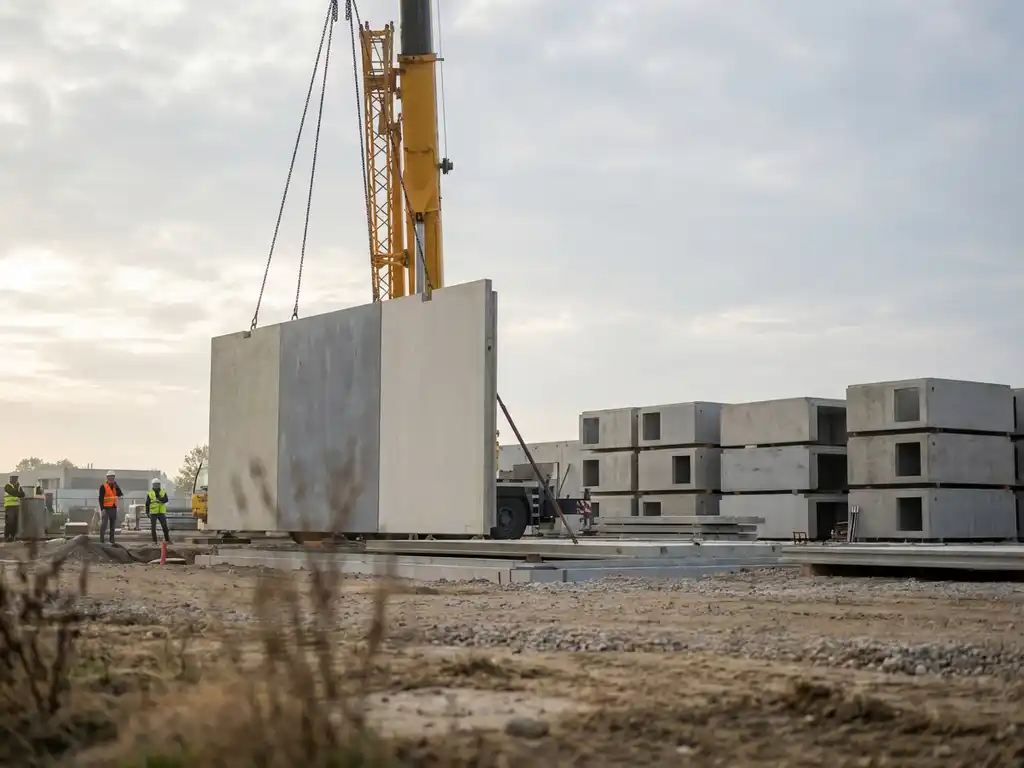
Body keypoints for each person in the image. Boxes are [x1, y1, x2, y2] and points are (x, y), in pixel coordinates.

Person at [98, 471, 123, 545]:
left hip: (113, 507)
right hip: (106, 508)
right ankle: (101, 540)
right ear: (107, 478)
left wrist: (116, 486)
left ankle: (112, 540)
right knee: (104, 525)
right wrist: (102, 509)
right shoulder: (103, 486)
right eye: (110, 478)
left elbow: (120, 494)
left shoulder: (115, 486)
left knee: (112, 526)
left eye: (112, 478)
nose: (111, 479)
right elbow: (101, 498)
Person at [146, 477, 171, 544]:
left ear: (159, 485)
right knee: (153, 528)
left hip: (161, 512)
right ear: (153, 485)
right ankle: (154, 541)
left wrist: (160, 498)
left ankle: (167, 540)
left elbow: (166, 500)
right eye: (155, 484)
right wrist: (147, 512)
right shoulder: (150, 493)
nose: (156, 486)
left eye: (157, 484)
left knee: (164, 526)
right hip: (153, 513)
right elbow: (147, 503)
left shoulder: (163, 492)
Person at [3, 473, 26, 542]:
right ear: (10, 479)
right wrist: (18, 492)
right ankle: (7, 536)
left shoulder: (19, 487)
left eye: (16, 479)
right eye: (13, 479)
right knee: (10, 522)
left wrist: (18, 493)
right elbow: (13, 493)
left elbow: (23, 494)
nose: (15, 480)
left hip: (17, 506)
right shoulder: (7, 486)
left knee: (16, 522)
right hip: (9, 506)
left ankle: (13, 536)